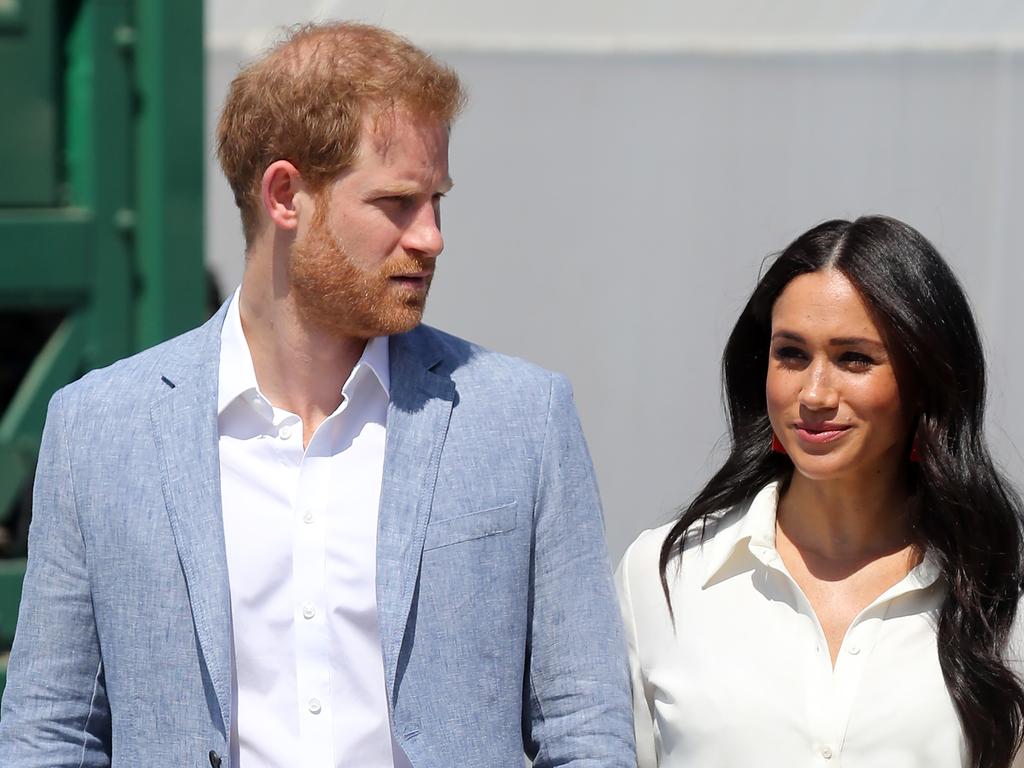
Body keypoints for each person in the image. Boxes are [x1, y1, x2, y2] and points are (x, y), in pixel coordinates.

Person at [0, 22, 634, 768]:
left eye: (437, 200)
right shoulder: (100, 430)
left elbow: (585, 724)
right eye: (398, 203)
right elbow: (50, 730)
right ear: (285, 196)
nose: (431, 237)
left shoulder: (520, 418)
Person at [617, 215, 1024, 767]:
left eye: (854, 358)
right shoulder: (662, 576)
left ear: (926, 378)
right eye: (791, 354)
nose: (814, 393)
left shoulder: (1002, 590)